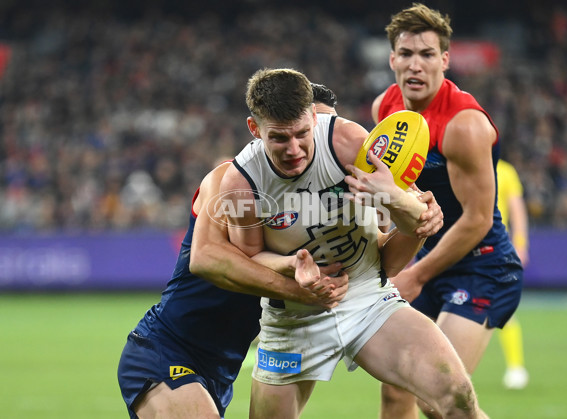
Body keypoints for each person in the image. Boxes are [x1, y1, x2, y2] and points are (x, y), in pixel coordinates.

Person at [220, 67, 488, 418]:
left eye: (302, 133)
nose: (294, 149)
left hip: (368, 298)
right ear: (255, 129)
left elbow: (411, 217)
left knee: (457, 398)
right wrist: (290, 267)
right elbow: (250, 255)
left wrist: (411, 209)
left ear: (313, 116)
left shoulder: (346, 141)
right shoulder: (240, 184)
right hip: (293, 318)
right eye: (279, 139)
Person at [371, 4, 524, 418]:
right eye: (406, 54)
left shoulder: (464, 124)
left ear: (445, 60)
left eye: (426, 54)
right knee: (395, 392)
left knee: (440, 401)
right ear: (392, 60)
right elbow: (388, 194)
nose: (415, 65)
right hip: (423, 259)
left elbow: (477, 219)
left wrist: (415, 275)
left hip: (482, 266)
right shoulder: (385, 109)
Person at [117, 160, 350, 419]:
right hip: (164, 350)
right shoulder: (229, 182)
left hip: (220, 375)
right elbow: (206, 259)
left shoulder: (310, 212)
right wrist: (295, 285)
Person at [496, 158, 530, 390]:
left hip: (496, 249)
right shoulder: (504, 169)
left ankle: (516, 367)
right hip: (463, 245)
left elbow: (517, 210)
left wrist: (520, 244)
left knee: (504, 308)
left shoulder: (505, 171)